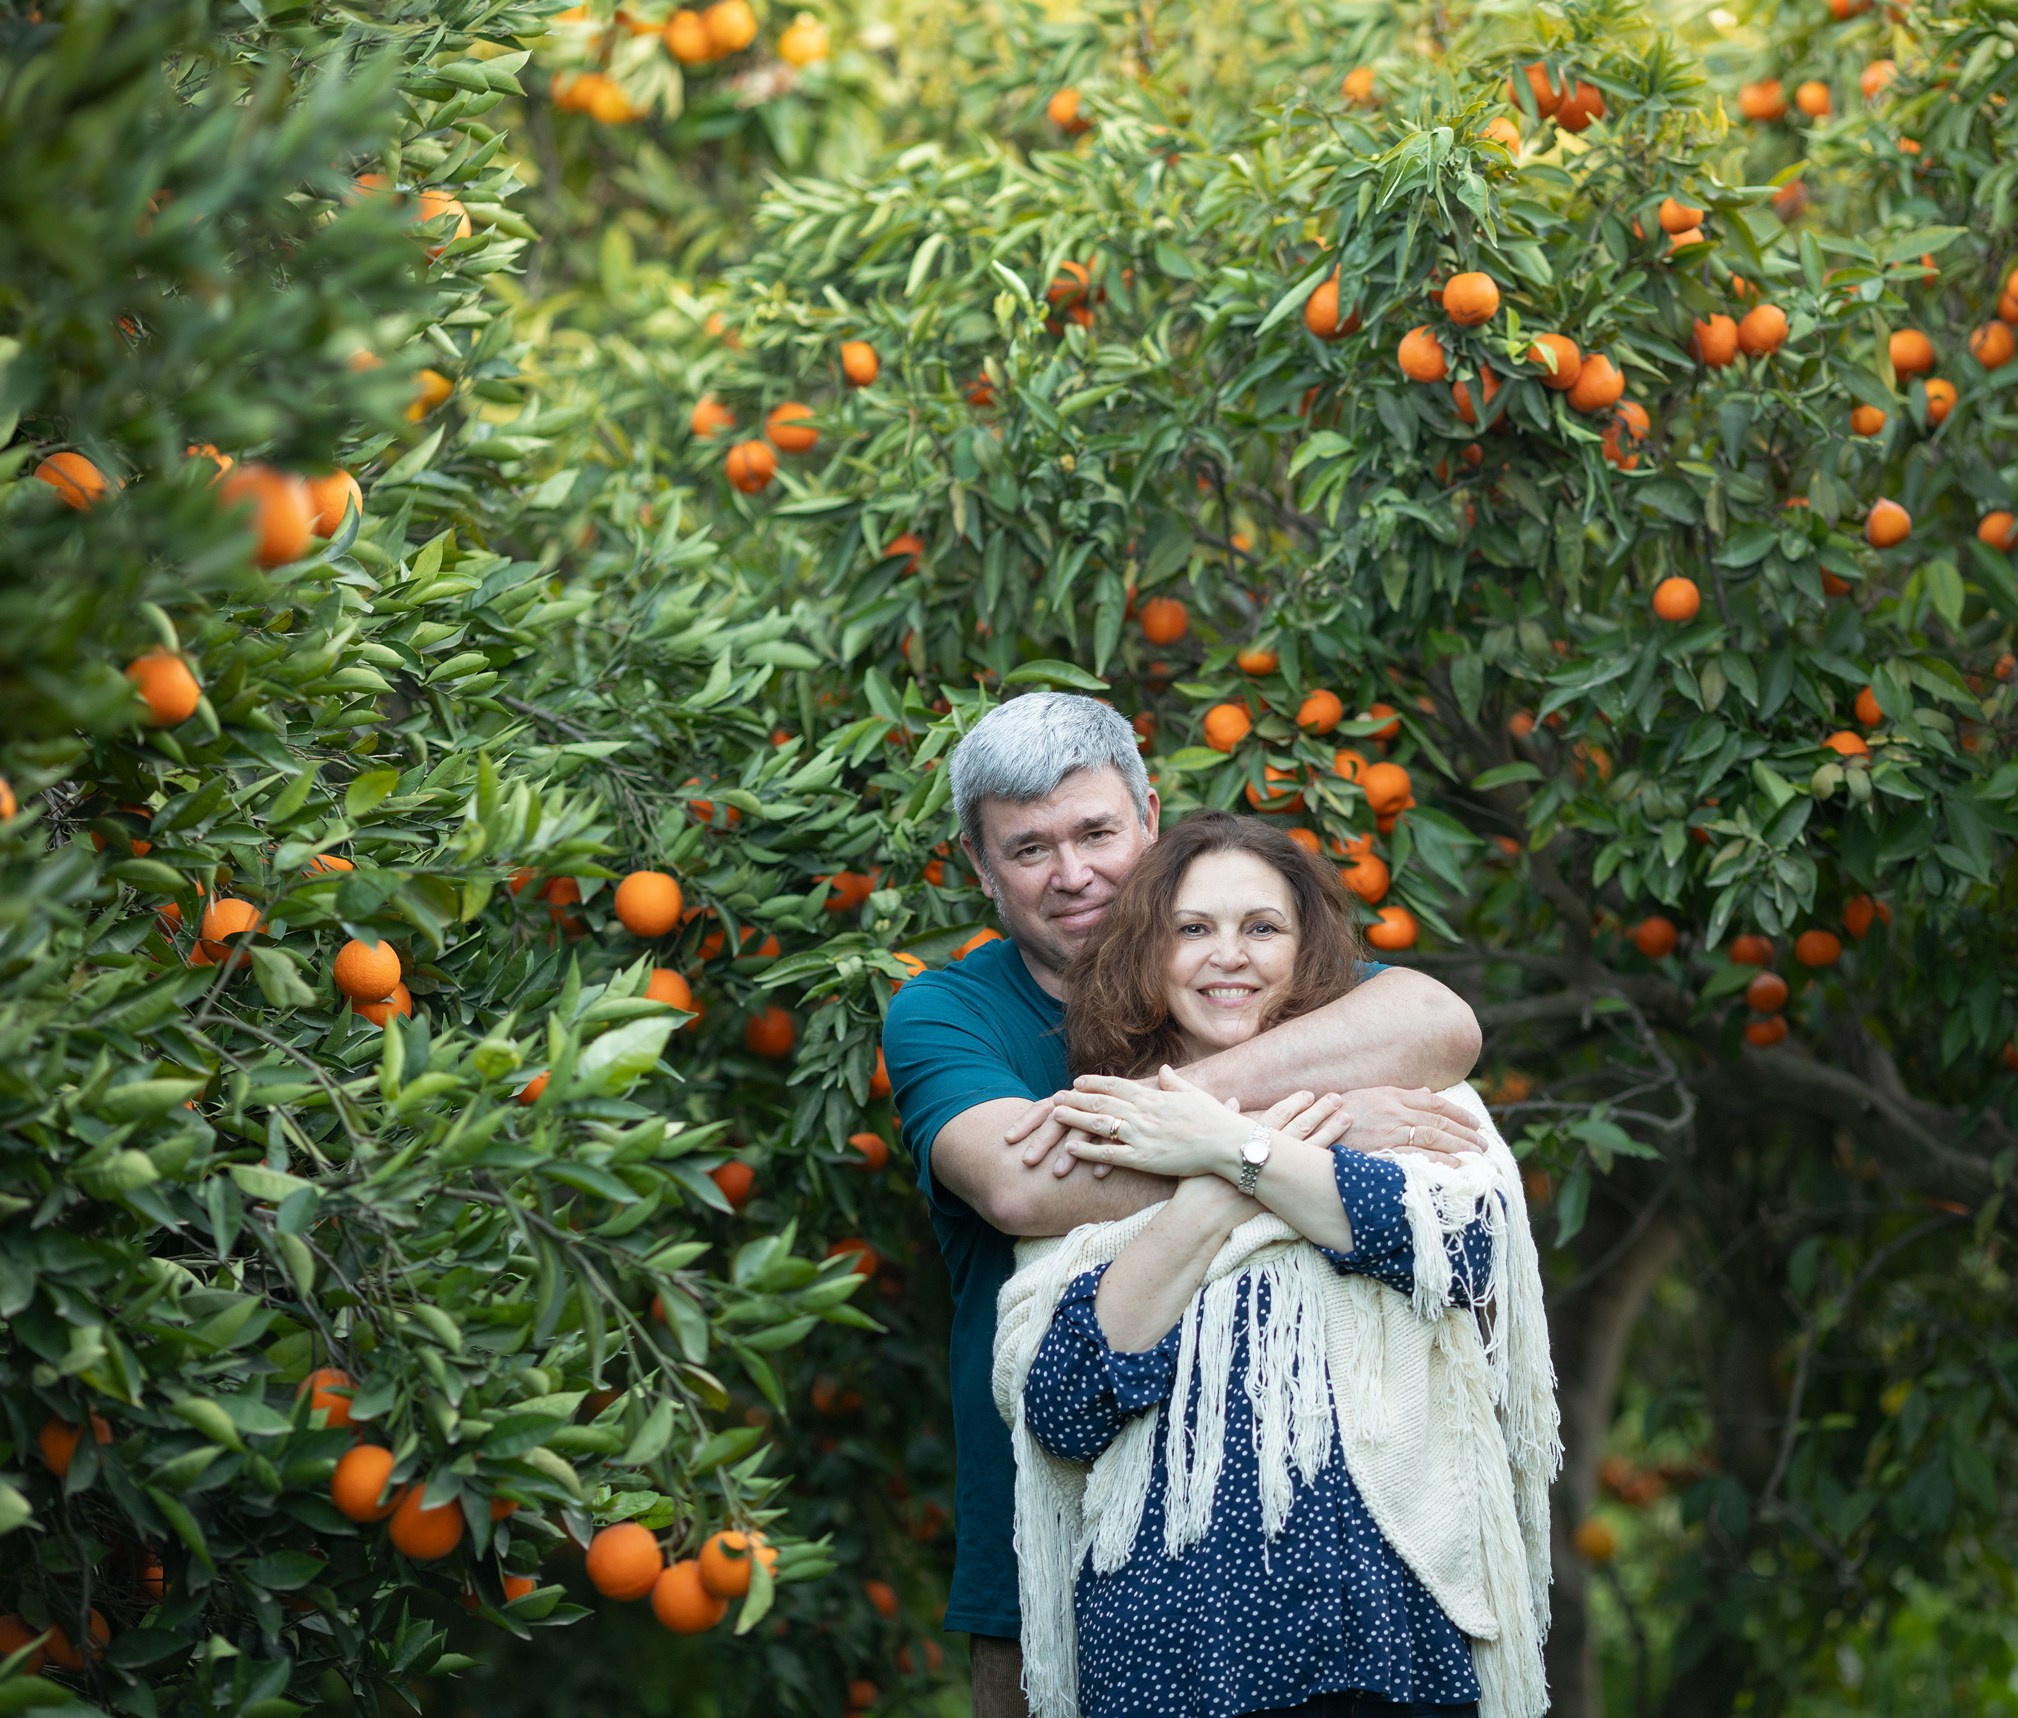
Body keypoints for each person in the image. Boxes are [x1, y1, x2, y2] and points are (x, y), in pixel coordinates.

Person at [880, 692, 1489, 1716]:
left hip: (1320, 1573)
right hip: (1052, 1557)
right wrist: (1293, 1132)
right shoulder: (948, 1011)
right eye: (1027, 848)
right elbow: (1024, 1183)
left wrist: (1203, 1131)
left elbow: (1439, 1020)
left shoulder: (1263, 973)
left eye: (1095, 831)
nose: (1071, 873)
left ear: (1148, 817)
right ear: (980, 868)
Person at [991, 812, 1557, 1718]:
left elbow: (1459, 1249)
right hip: (1171, 1648)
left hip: (1380, 1625)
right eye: (1193, 929)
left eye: (1263, 928)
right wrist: (1224, 1184)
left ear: (1307, 951)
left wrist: (1228, 1144)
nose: (1231, 957)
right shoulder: (1106, 1139)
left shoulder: (1411, 1103)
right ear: (1146, 949)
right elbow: (1064, 1401)